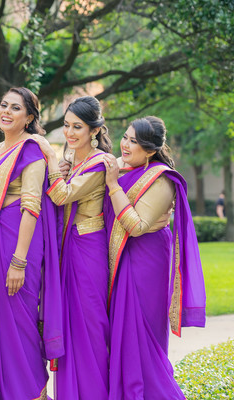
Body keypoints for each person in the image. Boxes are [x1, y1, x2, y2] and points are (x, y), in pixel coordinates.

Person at [0, 87, 63, 400]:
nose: (5, 111)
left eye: (15, 108)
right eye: (3, 105)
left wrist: (19, 261)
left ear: (29, 118)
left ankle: (32, 392)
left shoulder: (31, 150)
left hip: (20, 244)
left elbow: (31, 206)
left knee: (19, 322)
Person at [102, 116, 206, 400]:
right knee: (122, 338)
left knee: (141, 338)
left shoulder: (161, 179)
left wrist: (113, 186)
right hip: (122, 260)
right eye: (125, 137)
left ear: (149, 150)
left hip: (145, 264)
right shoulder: (123, 168)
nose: (124, 144)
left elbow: (136, 226)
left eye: (133, 141)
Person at [32, 96, 111, 399]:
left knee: (89, 327)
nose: (69, 133)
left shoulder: (100, 164)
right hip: (69, 249)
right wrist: (61, 167)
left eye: (77, 127)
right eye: (66, 126)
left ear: (94, 130)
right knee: (70, 329)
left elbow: (62, 196)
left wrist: (52, 162)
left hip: (87, 251)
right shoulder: (75, 161)